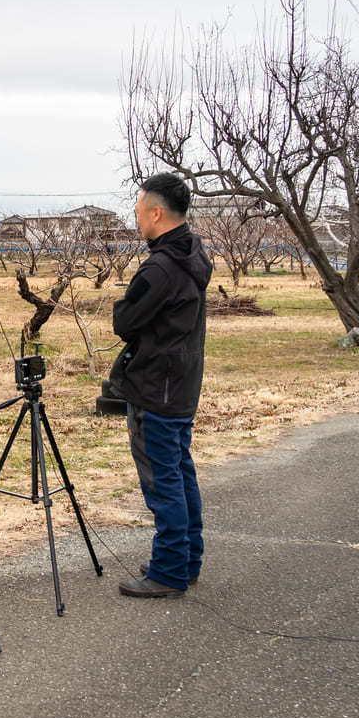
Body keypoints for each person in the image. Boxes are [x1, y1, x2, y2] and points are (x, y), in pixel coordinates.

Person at [108, 173, 213, 598]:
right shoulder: (192, 253)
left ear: (156, 213)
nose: (136, 219)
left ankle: (168, 571)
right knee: (180, 474)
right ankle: (184, 561)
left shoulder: (161, 267)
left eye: (138, 211)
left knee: (163, 482)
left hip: (157, 389)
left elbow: (125, 321)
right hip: (181, 385)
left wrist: (124, 302)